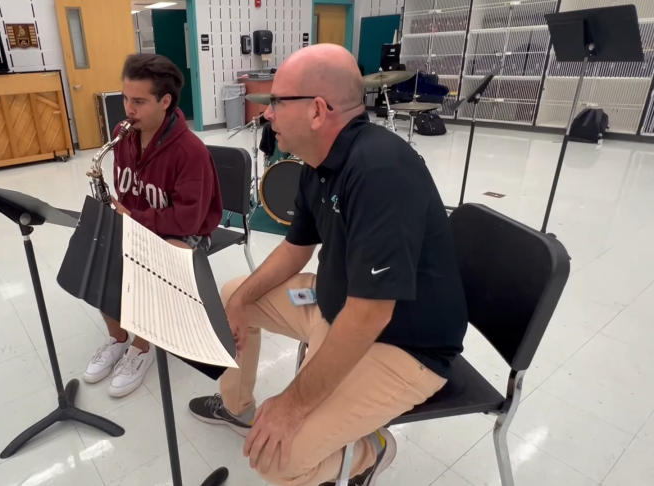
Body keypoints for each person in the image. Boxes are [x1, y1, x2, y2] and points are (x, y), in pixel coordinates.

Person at [188, 44, 468, 486]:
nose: (268, 115)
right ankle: (237, 406)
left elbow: (373, 311)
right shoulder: (318, 165)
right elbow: (295, 249)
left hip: (401, 345)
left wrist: (290, 404)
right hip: (333, 304)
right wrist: (243, 299)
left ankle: (369, 449)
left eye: (277, 102)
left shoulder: (379, 172)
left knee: (278, 461)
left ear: (318, 110)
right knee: (234, 296)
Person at [83, 53, 223, 398]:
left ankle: (142, 348)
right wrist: (119, 218)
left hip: (184, 233)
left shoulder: (191, 151)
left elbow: (189, 218)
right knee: (97, 252)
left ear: (165, 101)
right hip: (141, 221)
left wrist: (134, 220)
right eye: (126, 98)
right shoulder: (123, 134)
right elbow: (127, 190)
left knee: (142, 269)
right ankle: (118, 339)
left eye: (139, 102)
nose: (128, 109)